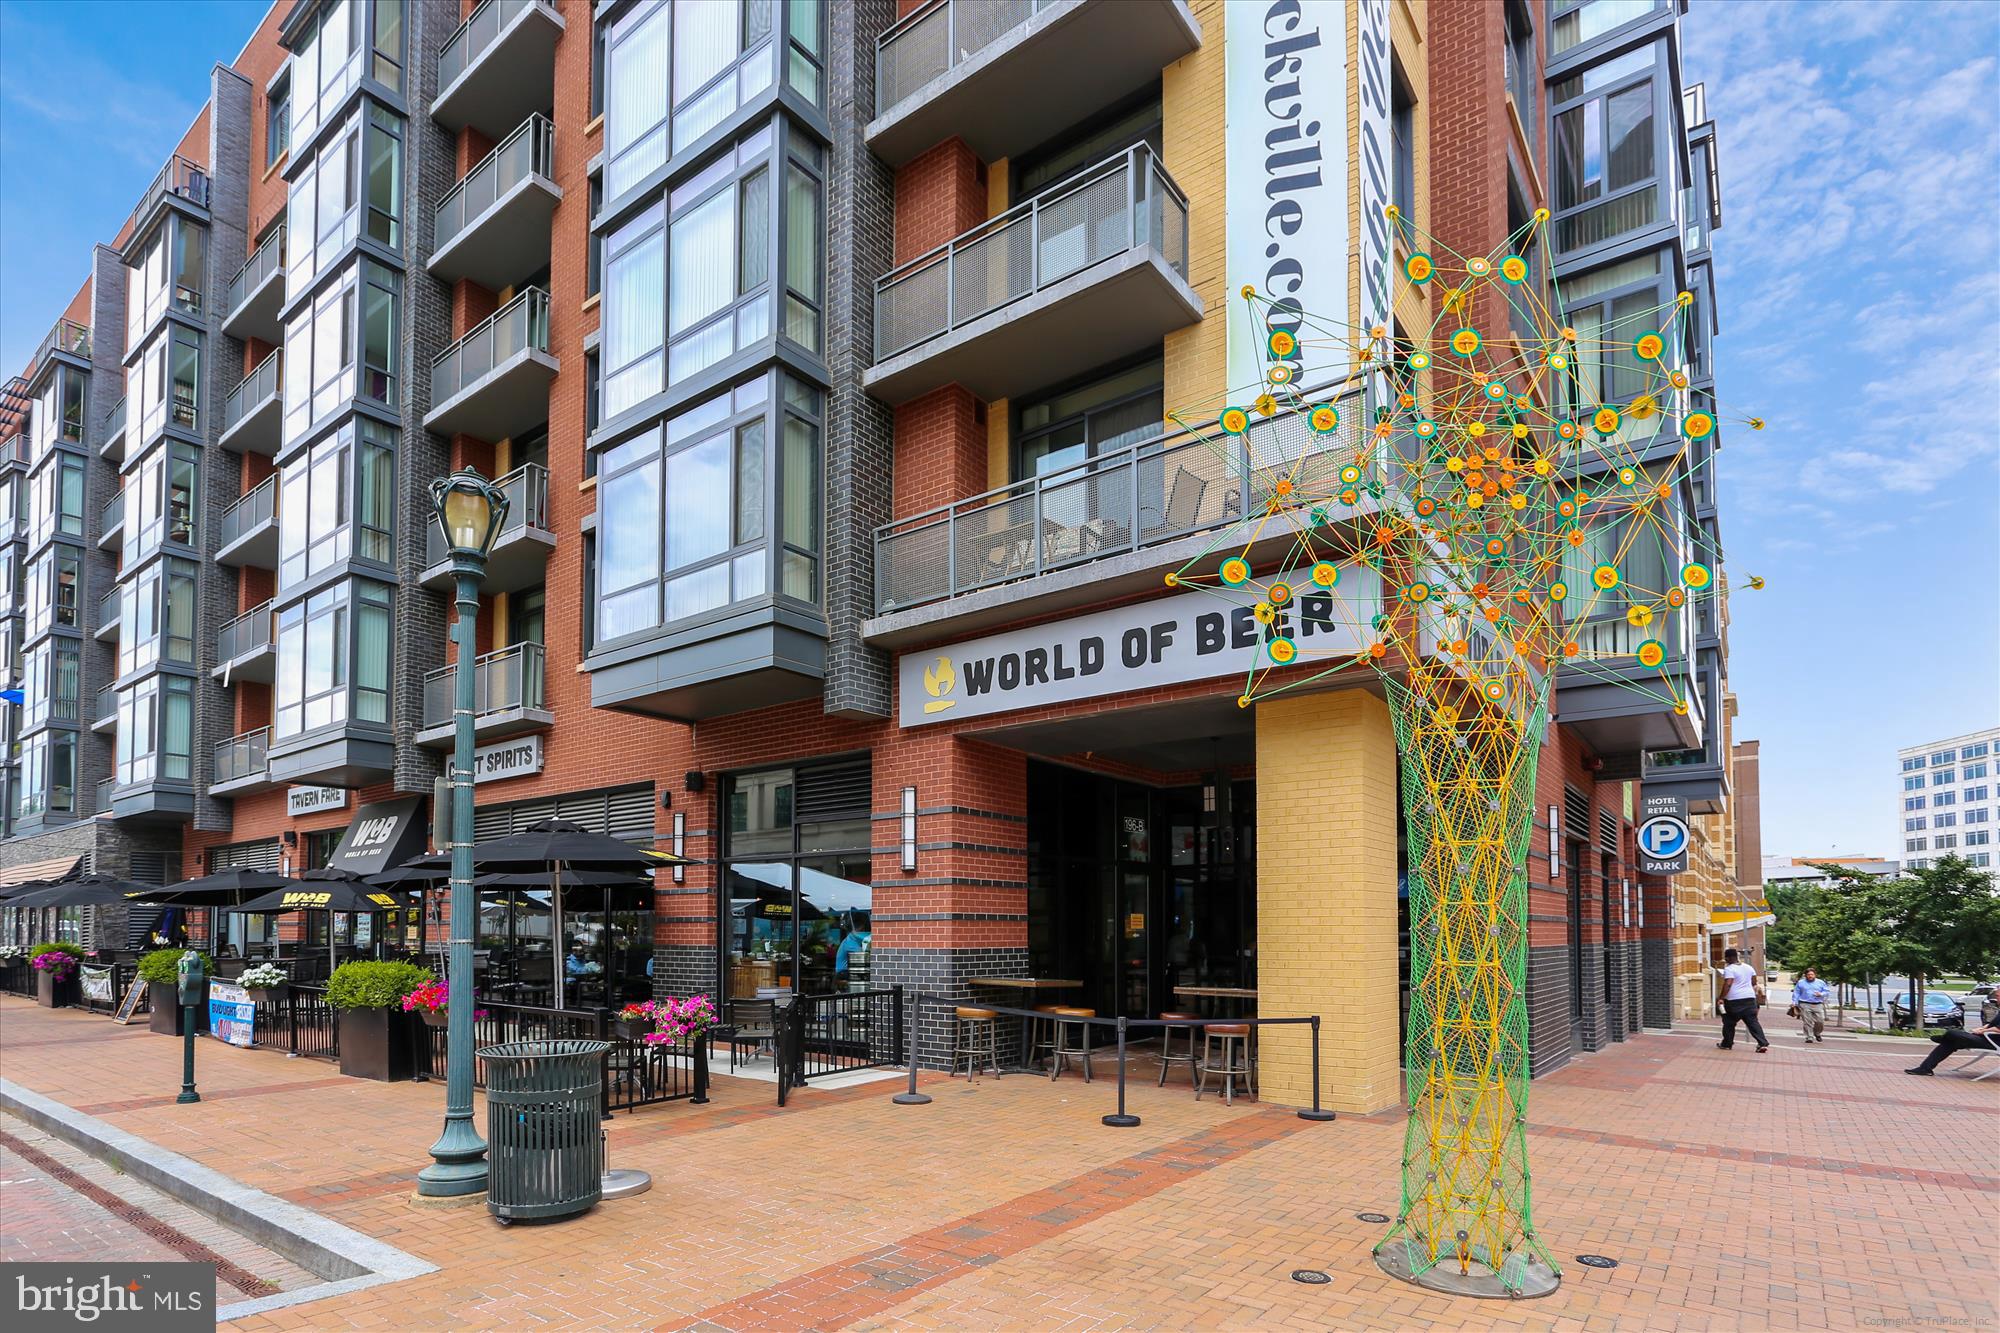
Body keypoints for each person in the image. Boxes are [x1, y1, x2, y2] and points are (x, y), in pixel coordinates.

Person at [1906, 992, 2000, 1075]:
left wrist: (1981, 1031)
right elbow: (1992, 1024)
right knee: (1949, 1042)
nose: (1996, 998)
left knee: (1952, 1033)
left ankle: (1943, 1038)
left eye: (1998, 996)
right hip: (1984, 1038)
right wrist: (1983, 1028)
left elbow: (1998, 1029)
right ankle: (1925, 1068)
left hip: (1992, 1042)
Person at [1715, 947, 1769, 1053]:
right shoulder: (1749, 967)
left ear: (1727, 958)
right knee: (1753, 1022)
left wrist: (1721, 998)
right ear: (1737, 957)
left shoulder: (1729, 969)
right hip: (1750, 999)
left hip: (1734, 1000)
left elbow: (1728, 984)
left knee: (1729, 1022)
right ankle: (1762, 1043)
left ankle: (1727, 1043)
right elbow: (1754, 982)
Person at [1791, 967, 1832, 1043]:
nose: (1810, 976)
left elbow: (1827, 991)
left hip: (1818, 1004)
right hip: (1804, 1004)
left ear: (1815, 975)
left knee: (1820, 1021)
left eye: (1812, 974)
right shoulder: (1801, 983)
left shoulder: (1820, 982)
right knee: (1807, 1022)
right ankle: (1809, 1037)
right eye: (1808, 974)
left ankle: (1817, 1033)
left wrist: (1821, 994)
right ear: (1805, 975)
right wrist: (1794, 1002)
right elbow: (1796, 993)